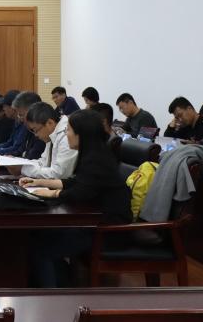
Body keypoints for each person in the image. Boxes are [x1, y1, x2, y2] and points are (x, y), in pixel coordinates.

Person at [22, 109, 133, 287]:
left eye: (69, 130)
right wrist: (39, 182)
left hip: (106, 231)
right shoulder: (93, 153)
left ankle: (53, 297)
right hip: (93, 223)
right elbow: (76, 182)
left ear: (82, 134)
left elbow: (81, 193)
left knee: (40, 249)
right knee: (37, 236)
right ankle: (62, 285)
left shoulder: (97, 159)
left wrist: (52, 193)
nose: (66, 134)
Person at [15, 102, 79, 180]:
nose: (36, 135)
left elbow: (59, 174)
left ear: (50, 123)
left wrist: (23, 169)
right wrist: (18, 163)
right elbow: (44, 162)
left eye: (36, 130)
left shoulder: (66, 136)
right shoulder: (52, 134)